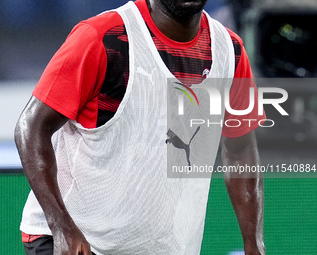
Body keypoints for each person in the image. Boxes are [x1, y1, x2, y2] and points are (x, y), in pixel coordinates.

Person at [15, 0, 266, 254]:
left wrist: (254, 242)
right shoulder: (103, 37)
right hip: (77, 243)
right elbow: (31, 127)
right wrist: (62, 227)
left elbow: (241, 150)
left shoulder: (230, 52)